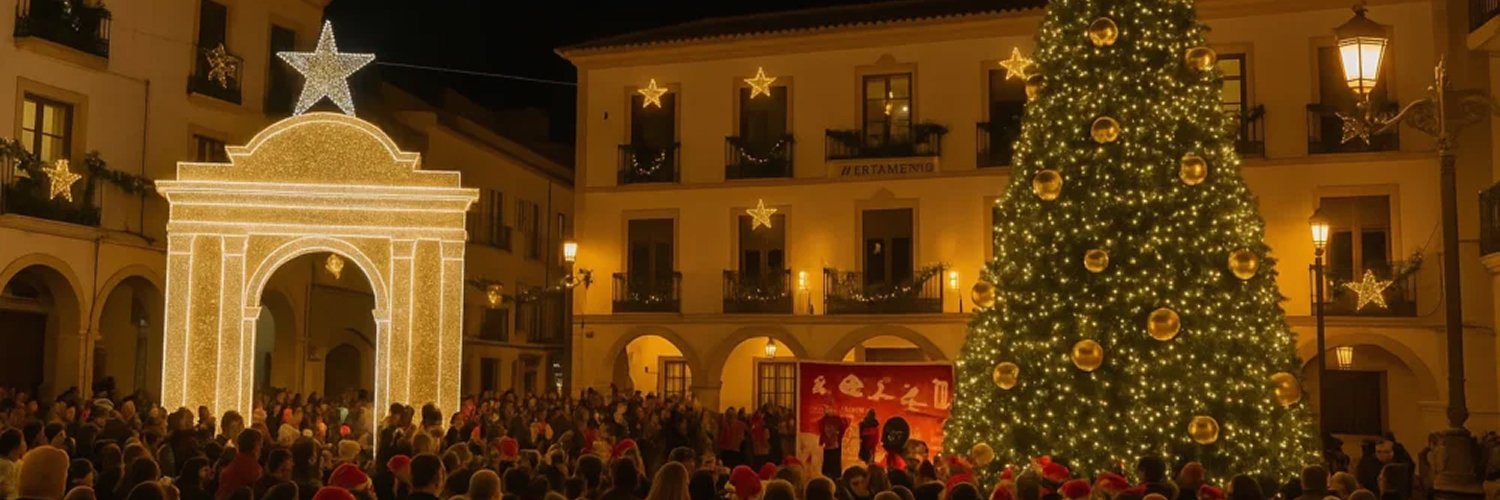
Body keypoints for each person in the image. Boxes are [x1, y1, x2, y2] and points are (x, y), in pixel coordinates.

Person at [216, 428, 263, 499]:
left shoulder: (233, 463)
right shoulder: (254, 469)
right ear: (256, 446)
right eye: (260, 445)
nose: (261, 448)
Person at [817, 408, 849, 480]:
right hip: (829, 452)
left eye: (831, 427)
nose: (829, 429)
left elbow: (844, 424)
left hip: (834, 452)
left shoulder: (838, 436)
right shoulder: (824, 438)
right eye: (827, 427)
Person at [0, 428, 25, 500]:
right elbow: (6, 491)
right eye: (23, 440)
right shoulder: (7, 465)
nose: (24, 443)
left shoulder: (13, 463)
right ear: (15, 447)